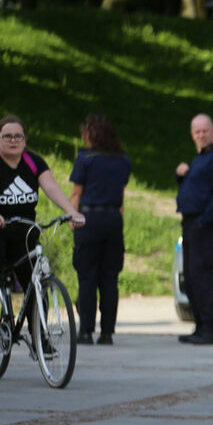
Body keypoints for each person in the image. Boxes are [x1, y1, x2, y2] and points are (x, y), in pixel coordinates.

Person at [0, 115, 85, 328]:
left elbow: (52, 188)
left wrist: (71, 211)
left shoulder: (33, 162)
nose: (13, 140)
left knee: (35, 280)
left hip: (22, 229)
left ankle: (41, 337)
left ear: (25, 140)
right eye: (7, 136)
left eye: (18, 136)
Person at [69, 114, 131, 345]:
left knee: (87, 277)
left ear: (90, 135)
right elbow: (121, 195)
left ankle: (85, 331)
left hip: (89, 218)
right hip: (113, 219)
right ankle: (107, 332)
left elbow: (76, 193)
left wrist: (73, 217)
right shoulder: (123, 159)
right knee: (110, 277)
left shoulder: (85, 158)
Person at [174, 113, 213, 345]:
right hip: (191, 223)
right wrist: (180, 176)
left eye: (204, 131)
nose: (201, 135)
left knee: (200, 277)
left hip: (205, 226)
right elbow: (198, 189)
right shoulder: (201, 158)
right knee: (190, 278)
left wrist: (204, 221)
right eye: (197, 132)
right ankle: (201, 326)